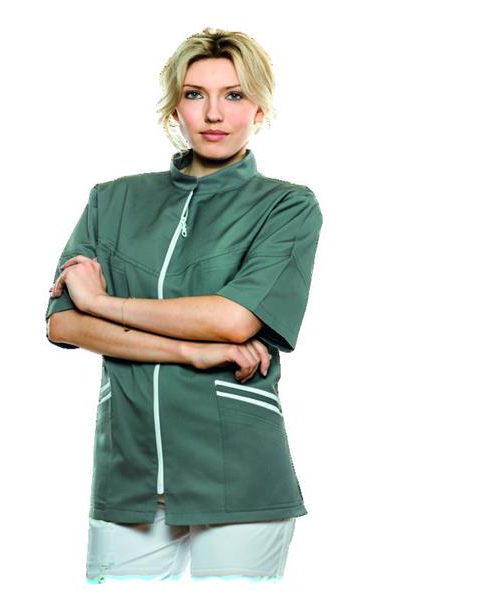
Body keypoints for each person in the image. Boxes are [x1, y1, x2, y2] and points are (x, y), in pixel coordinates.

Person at [45, 27, 323, 583]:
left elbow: (233, 319)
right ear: (176, 106)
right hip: (128, 471)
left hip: (238, 471)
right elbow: (63, 324)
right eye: (196, 94)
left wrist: (101, 300)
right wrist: (188, 350)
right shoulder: (112, 200)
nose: (214, 113)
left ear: (260, 108)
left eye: (234, 95)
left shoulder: (287, 206)